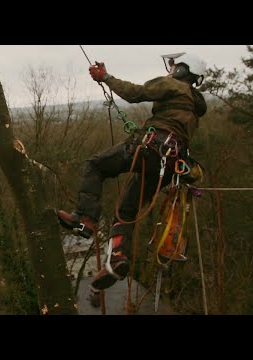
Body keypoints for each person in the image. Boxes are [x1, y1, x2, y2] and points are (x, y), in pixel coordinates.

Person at [57, 52, 207, 291]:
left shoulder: (173, 85)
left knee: (95, 165)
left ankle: (85, 219)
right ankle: (117, 259)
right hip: (169, 164)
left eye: (175, 67)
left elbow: (135, 93)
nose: (171, 70)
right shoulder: (195, 104)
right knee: (127, 210)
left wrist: (106, 77)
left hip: (150, 148)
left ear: (182, 71)